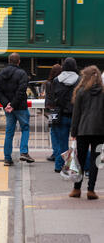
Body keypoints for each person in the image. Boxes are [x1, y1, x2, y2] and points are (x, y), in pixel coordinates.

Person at [69, 65, 104, 200]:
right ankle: (91, 190)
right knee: (95, 161)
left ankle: (76, 189)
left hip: (83, 131)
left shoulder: (81, 92)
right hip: (100, 132)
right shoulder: (103, 92)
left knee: (80, 160)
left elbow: (76, 114)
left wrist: (73, 132)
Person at [0, 53, 35, 166]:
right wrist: (13, 104)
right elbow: (21, 91)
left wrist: (6, 104)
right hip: (20, 107)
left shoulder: (1, 73)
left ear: (9, 61)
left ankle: (7, 158)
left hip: (8, 109)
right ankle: (24, 152)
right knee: (25, 128)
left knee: (9, 132)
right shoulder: (22, 73)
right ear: (19, 61)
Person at [52, 57, 80, 173]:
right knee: (78, 143)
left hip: (61, 115)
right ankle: (78, 166)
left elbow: (54, 97)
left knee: (61, 143)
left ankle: (59, 166)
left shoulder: (56, 80)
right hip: (75, 116)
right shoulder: (79, 80)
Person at [44, 64, 62, 162]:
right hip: (61, 110)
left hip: (52, 111)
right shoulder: (62, 82)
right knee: (61, 133)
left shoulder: (49, 83)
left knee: (53, 132)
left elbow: (49, 98)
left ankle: (55, 153)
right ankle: (61, 153)